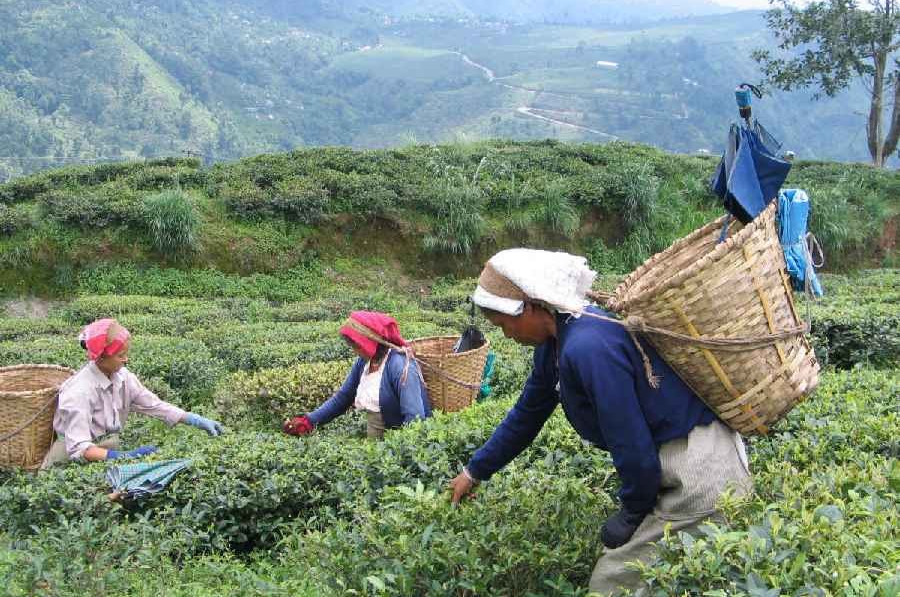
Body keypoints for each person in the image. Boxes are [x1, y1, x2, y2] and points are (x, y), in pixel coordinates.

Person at [447, 249, 751, 595]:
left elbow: (630, 442)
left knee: (611, 584)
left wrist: (633, 512)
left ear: (528, 306)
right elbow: (526, 416)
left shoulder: (588, 347)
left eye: (504, 324)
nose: (506, 334)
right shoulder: (556, 345)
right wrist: (475, 471)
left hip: (699, 474)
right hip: (678, 464)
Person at [41, 318, 225, 469]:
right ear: (101, 357)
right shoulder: (79, 392)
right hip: (68, 460)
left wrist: (195, 419)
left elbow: (154, 405)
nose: (126, 359)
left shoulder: (123, 377)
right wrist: (125, 456)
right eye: (120, 355)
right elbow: (80, 449)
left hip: (106, 448)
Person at [283, 311, 431, 440]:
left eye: (357, 346)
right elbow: (343, 397)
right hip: (376, 441)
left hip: (398, 443)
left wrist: (400, 454)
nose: (355, 351)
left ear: (371, 342)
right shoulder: (365, 362)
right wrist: (308, 422)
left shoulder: (400, 366)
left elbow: (414, 418)